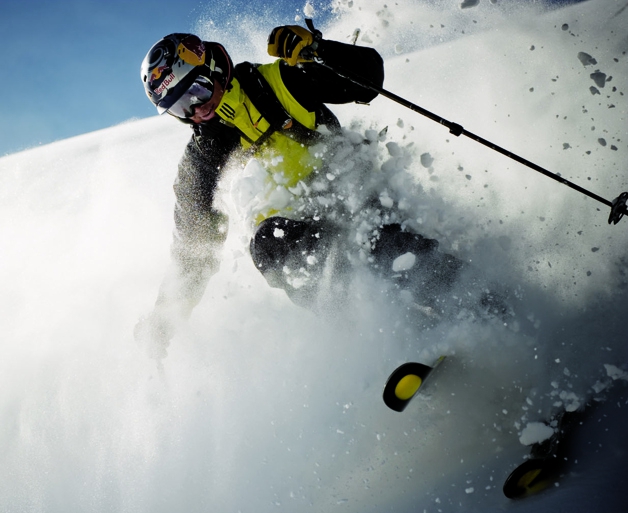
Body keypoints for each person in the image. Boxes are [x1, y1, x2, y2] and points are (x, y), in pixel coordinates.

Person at [135, 27, 462, 358]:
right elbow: (193, 249)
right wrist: (164, 318)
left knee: (386, 248)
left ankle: (471, 302)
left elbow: (368, 79)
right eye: (182, 107)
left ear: (215, 68)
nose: (198, 111)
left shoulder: (278, 82)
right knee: (270, 245)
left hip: (355, 194)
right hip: (304, 228)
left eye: (198, 90)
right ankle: (387, 334)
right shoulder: (203, 159)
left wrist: (320, 51)